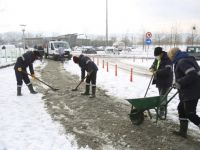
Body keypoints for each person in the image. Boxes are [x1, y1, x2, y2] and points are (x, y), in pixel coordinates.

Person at [167, 47, 200, 138]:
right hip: (188, 90)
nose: (170, 59)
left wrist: (179, 83)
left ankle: (184, 131)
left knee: (190, 114)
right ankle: (183, 132)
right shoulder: (186, 59)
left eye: (170, 57)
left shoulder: (182, 62)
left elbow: (192, 75)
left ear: (173, 55)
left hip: (191, 91)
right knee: (181, 109)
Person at [149, 47, 173, 118]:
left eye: (157, 55)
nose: (156, 57)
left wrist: (157, 72)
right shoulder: (157, 58)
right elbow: (154, 65)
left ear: (161, 53)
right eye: (155, 56)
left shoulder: (168, 59)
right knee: (161, 96)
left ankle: (162, 112)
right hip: (159, 81)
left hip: (166, 81)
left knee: (163, 97)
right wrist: (152, 68)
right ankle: (161, 110)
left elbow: (167, 71)